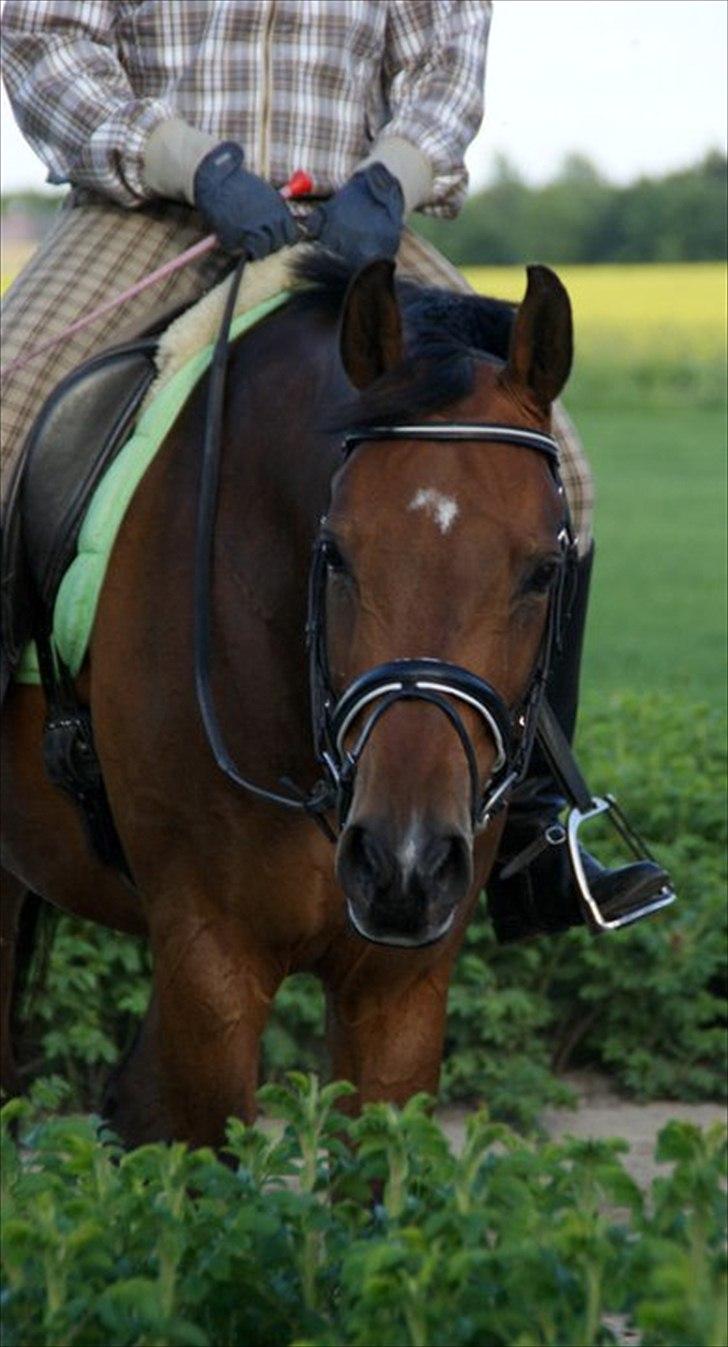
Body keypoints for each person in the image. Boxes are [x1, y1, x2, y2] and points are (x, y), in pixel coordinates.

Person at [0, 0, 665, 939]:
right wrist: (192, 162)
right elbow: (45, 36)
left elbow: (444, 60)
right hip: (145, 212)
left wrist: (388, 180)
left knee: (568, 473)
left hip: (355, 233)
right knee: (0, 419)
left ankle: (535, 831)